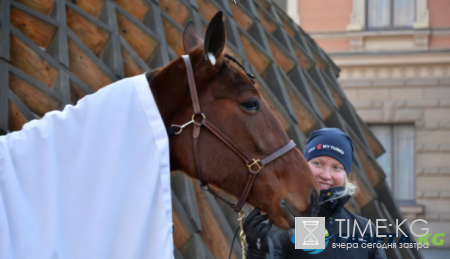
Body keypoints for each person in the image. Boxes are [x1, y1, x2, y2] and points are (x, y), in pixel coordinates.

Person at [243, 128, 387, 259]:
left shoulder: (363, 229)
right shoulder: (284, 226)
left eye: (336, 167)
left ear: (345, 176)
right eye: (318, 163)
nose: (325, 175)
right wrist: (257, 252)